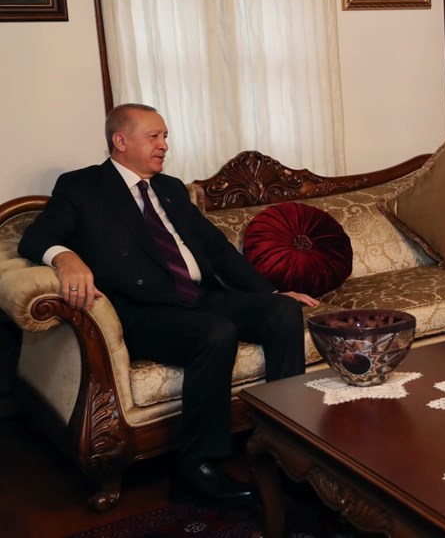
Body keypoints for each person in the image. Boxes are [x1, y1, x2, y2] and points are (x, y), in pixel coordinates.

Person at [18, 104, 319, 506]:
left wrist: (270, 293)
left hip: (199, 296)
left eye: (165, 137)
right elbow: (35, 238)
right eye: (154, 137)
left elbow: (217, 249)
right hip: (143, 311)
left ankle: (286, 440)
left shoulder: (171, 188)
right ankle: (197, 466)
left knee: (282, 312)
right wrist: (65, 257)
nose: (164, 145)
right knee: (216, 333)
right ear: (120, 141)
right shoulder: (83, 187)